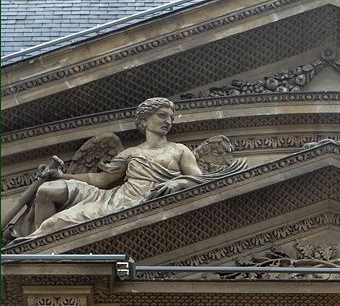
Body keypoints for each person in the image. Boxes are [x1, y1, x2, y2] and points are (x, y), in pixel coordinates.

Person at [17, 97, 238, 240]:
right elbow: (101, 181)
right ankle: (35, 248)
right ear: (144, 120)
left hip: (143, 201)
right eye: (162, 115)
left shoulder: (179, 150)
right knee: (46, 194)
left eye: (170, 117)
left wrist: (178, 182)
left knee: (56, 221)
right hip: (117, 199)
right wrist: (61, 175)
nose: (168, 121)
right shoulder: (131, 153)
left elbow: (200, 181)